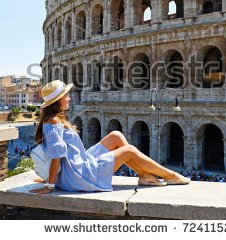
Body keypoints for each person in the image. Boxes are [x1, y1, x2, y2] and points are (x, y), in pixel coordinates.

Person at [30, 80, 190, 195]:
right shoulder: (53, 122)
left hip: (79, 163)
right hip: (79, 174)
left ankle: (144, 175)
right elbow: (56, 155)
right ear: (57, 101)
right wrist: (50, 185)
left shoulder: (54, 120)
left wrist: (50, 179)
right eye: (66, 96)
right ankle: (170, 175)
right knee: (129, 150)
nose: (69, 98)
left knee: (116, 136)